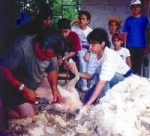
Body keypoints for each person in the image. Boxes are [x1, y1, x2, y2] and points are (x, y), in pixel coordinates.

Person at [0, 29, 64, 121]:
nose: (48, 59)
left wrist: (55, 89)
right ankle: (5, 110)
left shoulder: (51, 51)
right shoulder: (22, 46)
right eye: (46, 56)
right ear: (37, 46)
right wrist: (24, 89)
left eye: (50, 57)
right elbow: (4, 69)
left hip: (31, 86)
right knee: (30, 119)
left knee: (41, 110)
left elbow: (53, 69)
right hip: (12, 87)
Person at [70, 28, 133, 107]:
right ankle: (99, 99)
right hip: (107, 80)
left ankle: (103, 101)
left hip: (125, 81)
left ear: (103, 44)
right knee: (86, 99)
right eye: (89, 44)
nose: (90, 48)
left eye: (93, 45)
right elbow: (90, 75)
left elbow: (102, 82)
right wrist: (76, 72)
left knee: (100, 72)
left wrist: (88, 104)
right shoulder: (93, 54)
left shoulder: (109, 56)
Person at [122, 0, 149, 75]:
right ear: (131, 9)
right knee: (130, 66)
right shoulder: (128, 20)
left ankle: (137, 83)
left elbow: (147, 33)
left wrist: (147, 46)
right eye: (133, 7)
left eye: (137, 6)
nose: (135, 8)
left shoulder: (145, 19)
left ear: (140, 8)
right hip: (130, 46)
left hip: (141, 46)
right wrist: (124, 47)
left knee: (138, 66)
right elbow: (125, 34)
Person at [71, 11, 93, 91]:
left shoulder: (90, 31)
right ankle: (80, 83)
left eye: (84, 19)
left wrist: (88, 52)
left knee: (86, 60)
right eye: (80, 18)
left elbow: (92, 44)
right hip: (75, 49)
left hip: (86, 50)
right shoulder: (74, 28)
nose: (81, 20)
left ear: (88, 21)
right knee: (79, 59)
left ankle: (87, 83)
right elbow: (65, 29)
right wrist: (73, 22)